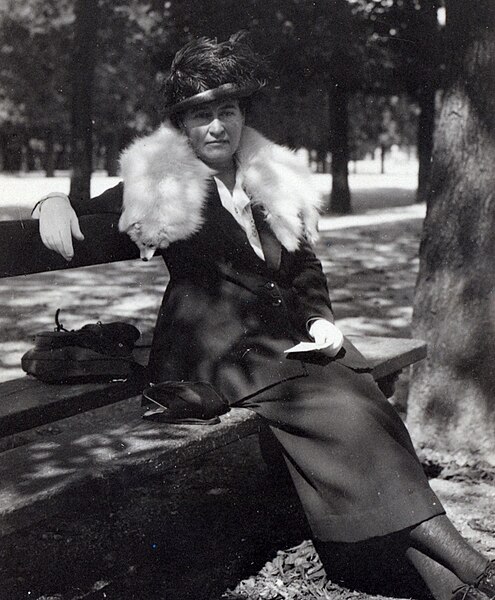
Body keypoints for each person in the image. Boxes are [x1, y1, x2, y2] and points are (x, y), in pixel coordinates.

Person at [33, 34, 494, 600]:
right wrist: (48, 203)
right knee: (346, 411)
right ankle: (471, 567)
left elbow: (303, 267)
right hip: (212, 347)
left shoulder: (269, 178)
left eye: (227, 111)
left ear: (242, 115)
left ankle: (450, 584)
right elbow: (90, 212)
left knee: (363, 397)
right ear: (183, 126)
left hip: (283, 344)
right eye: (202, 115)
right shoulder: (158, 181)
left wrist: (322, 320)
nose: (217, 127)